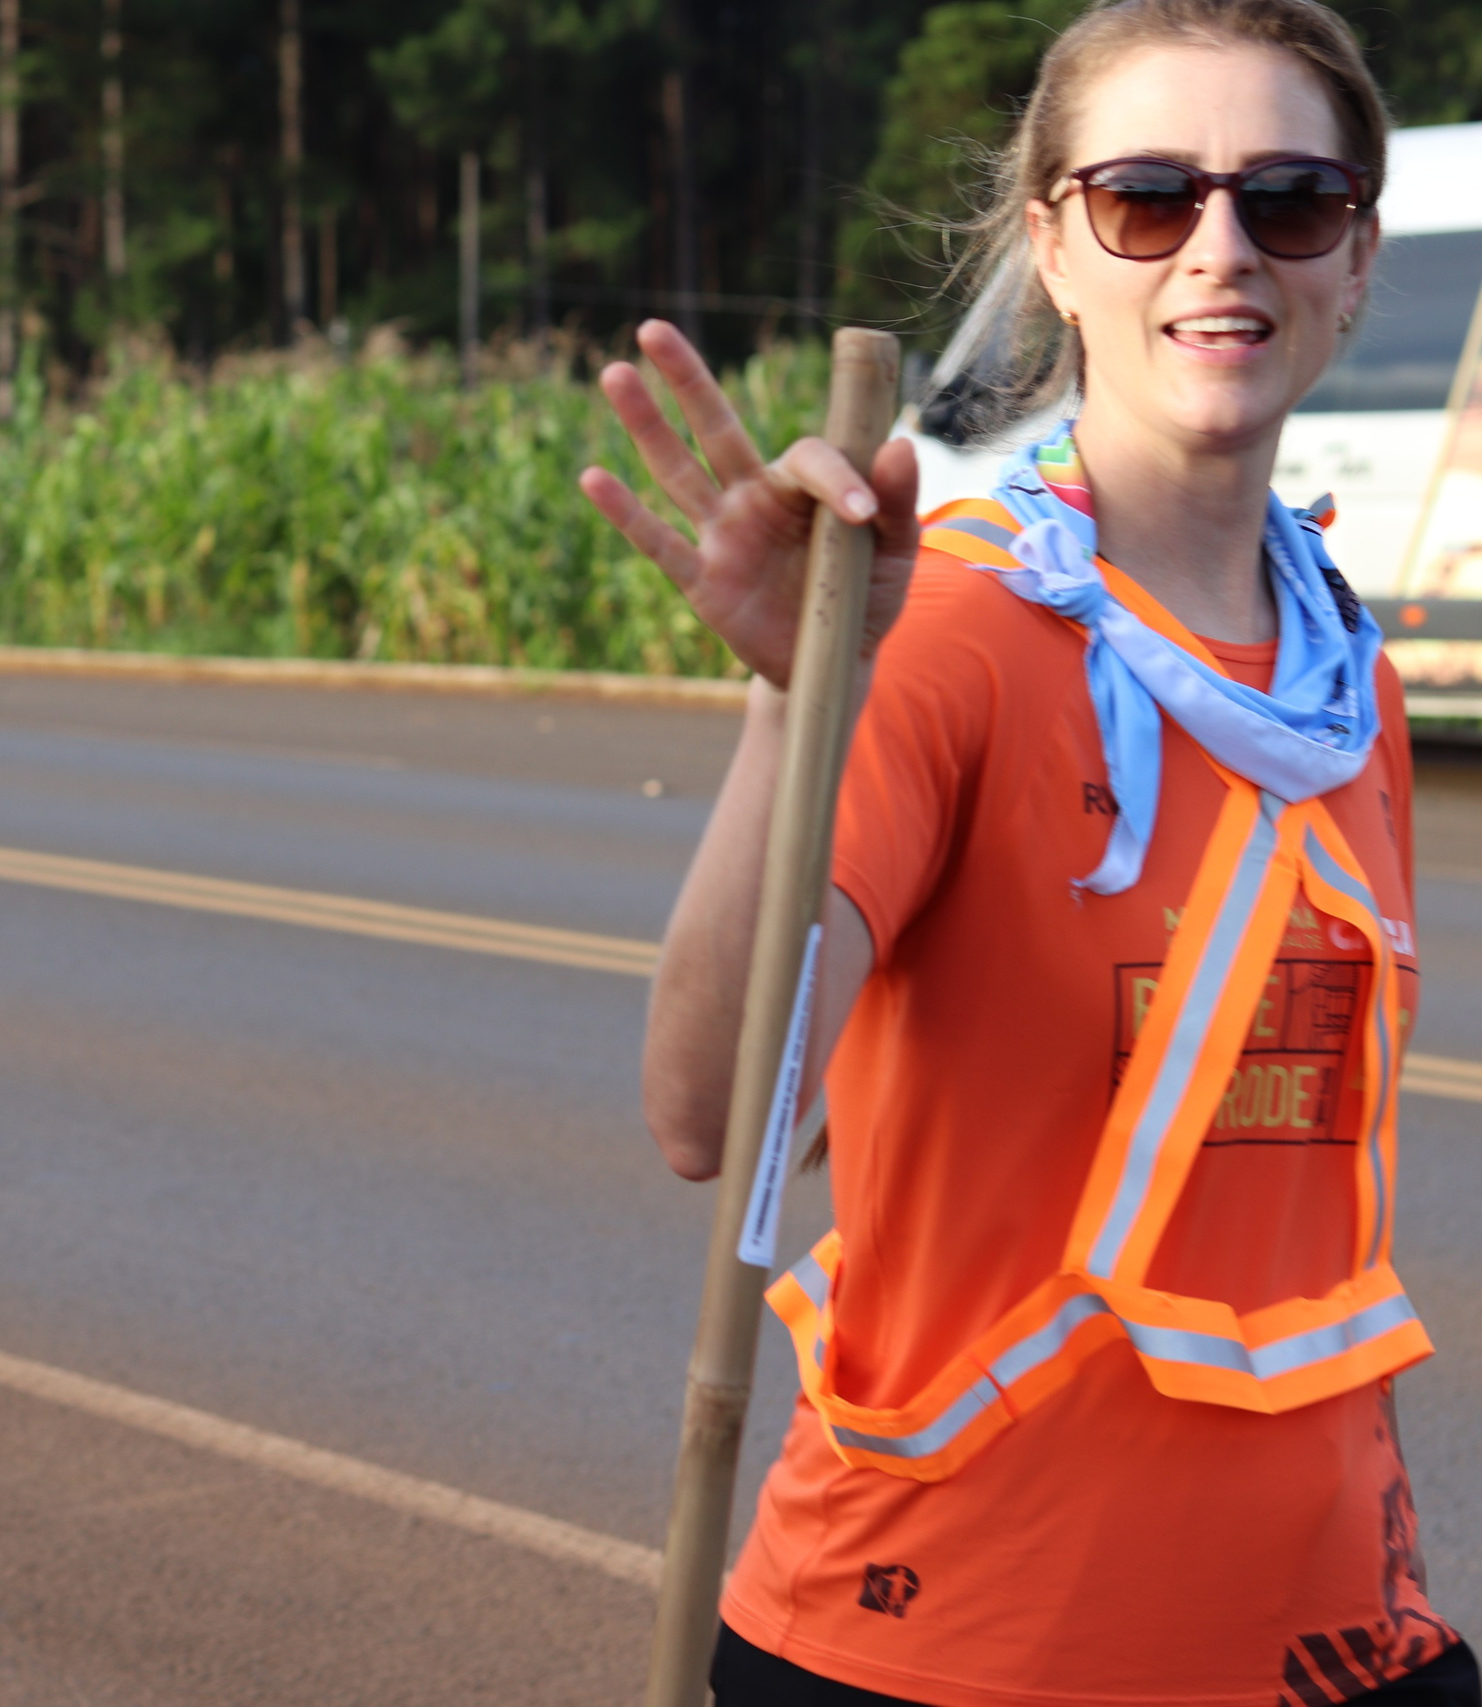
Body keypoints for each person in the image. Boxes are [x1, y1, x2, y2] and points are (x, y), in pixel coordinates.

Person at [581, 2, 1471, 1703]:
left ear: (1354, 263)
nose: (1223, 248)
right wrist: (799, 711)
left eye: (1291, 201)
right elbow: (711, 1113)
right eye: (1150, 197)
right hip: (954, 1644)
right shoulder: (953, 626)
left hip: (1334, 1635)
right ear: (1056, 248)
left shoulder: (1343, 679)